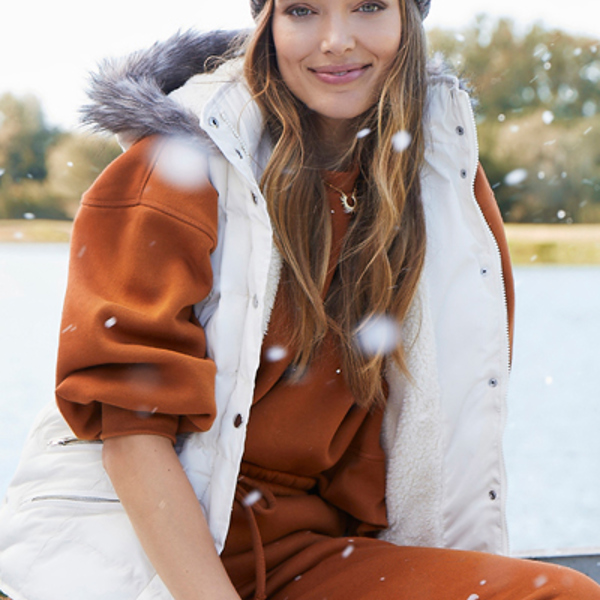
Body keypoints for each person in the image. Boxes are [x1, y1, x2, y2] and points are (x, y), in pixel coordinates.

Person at [1, 0, 599, 598]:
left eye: (368, 6)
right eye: (303, 10)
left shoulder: (444, 178)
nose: (336, 39)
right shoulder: (177, 164)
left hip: (312, 557)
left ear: (407, 20)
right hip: (139, 551)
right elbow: (132, 436)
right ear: (268, 25)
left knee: (559, 594)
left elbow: (459, 410)